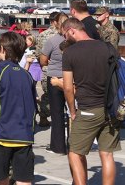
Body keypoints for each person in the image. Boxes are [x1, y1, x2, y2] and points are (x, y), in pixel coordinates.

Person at [62, 17, 120, 185]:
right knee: (107, 154)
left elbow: (67, 88)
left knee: (75, 153)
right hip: (111, 107)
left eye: (65, 35)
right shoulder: (107, 47)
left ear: (72, 31)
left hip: (88, 108)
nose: (65, 38)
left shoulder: (70, 53)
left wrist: (72, 111)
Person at [0, 32, 36, 185]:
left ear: (2, 50)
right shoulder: (27, 75)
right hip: (24, 136)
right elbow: (32, 106)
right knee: (24, 180)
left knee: (1, 179)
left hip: (1, 134)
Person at [38, 16, 68, 155]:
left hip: (55, 77)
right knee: (73, 112)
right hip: (71, 77)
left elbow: (43, 60)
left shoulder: (52, 40)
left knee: (57, 113)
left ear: (57, 25)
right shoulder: (74, 41)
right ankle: (74, 144)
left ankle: (58, 146)